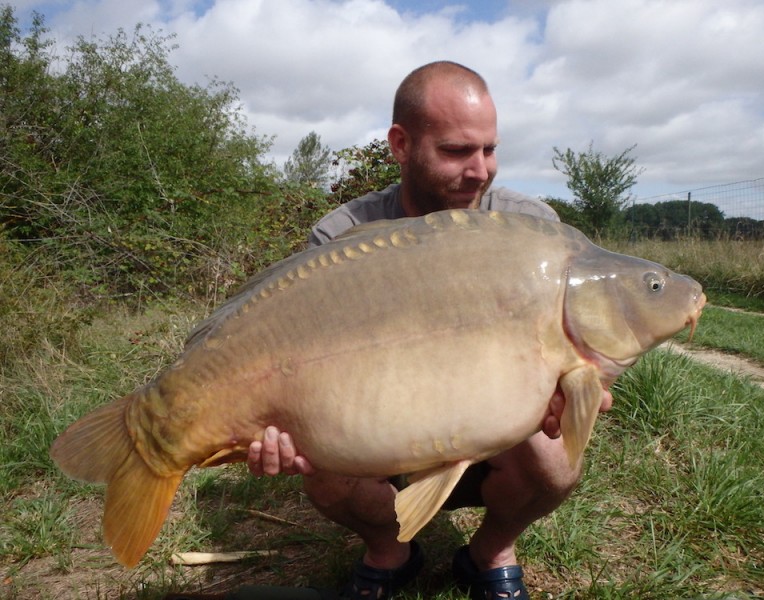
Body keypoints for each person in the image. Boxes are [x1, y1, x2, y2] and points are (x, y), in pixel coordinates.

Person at [246, 61, 613, 600]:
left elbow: (581, 342)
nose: (480, 170)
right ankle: (390, 552)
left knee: (557, 464)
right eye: (457, 151)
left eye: (489, 149)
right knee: (319, 466)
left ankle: (490, 552)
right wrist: (276, 418)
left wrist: (573, 388)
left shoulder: (530, 229)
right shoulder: (343, 235)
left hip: (496, 435)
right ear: (400, 144)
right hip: (381, 436)